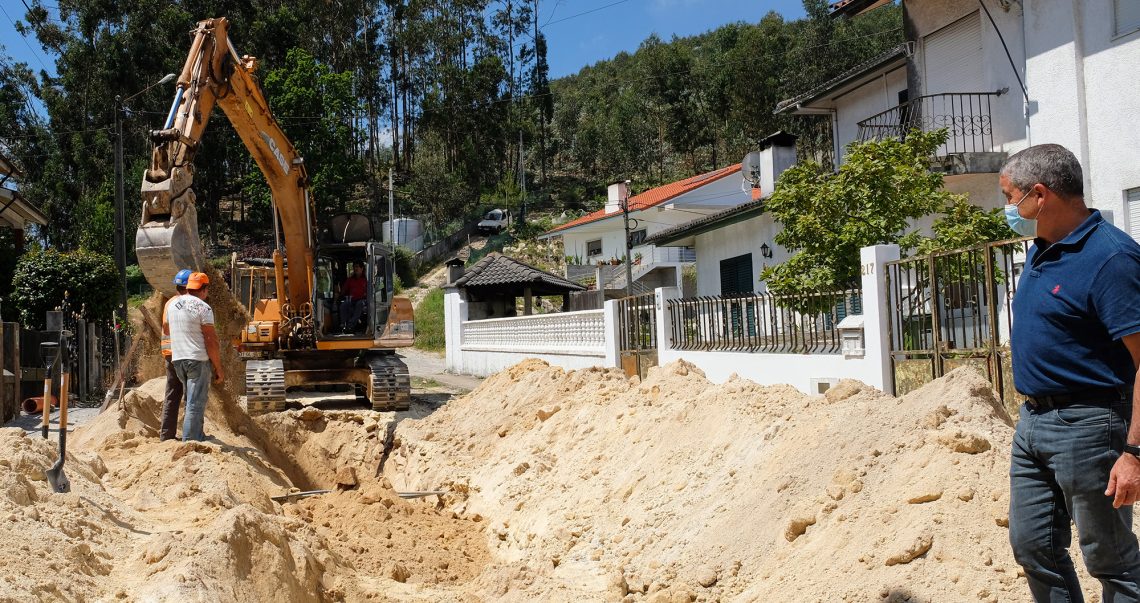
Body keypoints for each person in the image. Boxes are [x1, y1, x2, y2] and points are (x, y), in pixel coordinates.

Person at [1003, 144, 1140, 600]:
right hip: (1032, 424)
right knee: (1033, 547)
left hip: (1090, 425)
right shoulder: (1043, 248)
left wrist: (1135, 452)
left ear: (1040, 195)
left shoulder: (1111, 259)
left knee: (1112, 560)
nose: (1007, 209)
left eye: (1011, 197)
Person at [165, 272, 224, 442]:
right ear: (204, 289)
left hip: (178, 360)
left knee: (190, 399)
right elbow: (210, 340)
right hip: (197, 360)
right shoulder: (203, 307)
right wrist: (218, 367)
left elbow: (167, 329)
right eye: (207, 289)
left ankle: (196, 434)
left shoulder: (172, 305)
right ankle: (191, 440)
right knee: (196, 402)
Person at [159, 269, 191, 441]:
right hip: (182, 353)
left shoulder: (170, 302)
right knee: (189, 394)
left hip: (169, 354)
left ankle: (166, 435)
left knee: (172, 393)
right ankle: (189, 434)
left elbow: (165, 327)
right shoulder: (187, 303)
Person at [339, 261, 368, 332]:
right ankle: (343, 324)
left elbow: (369, 292)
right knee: (344, 305)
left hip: (362, 300)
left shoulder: (366, 280)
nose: (355, 268)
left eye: (357, 266)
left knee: (360, 304)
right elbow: (343, 290)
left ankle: (350, 325)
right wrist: (340, 294)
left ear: (362, 268)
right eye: (354, 267)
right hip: (352, 300)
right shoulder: (350, 280)